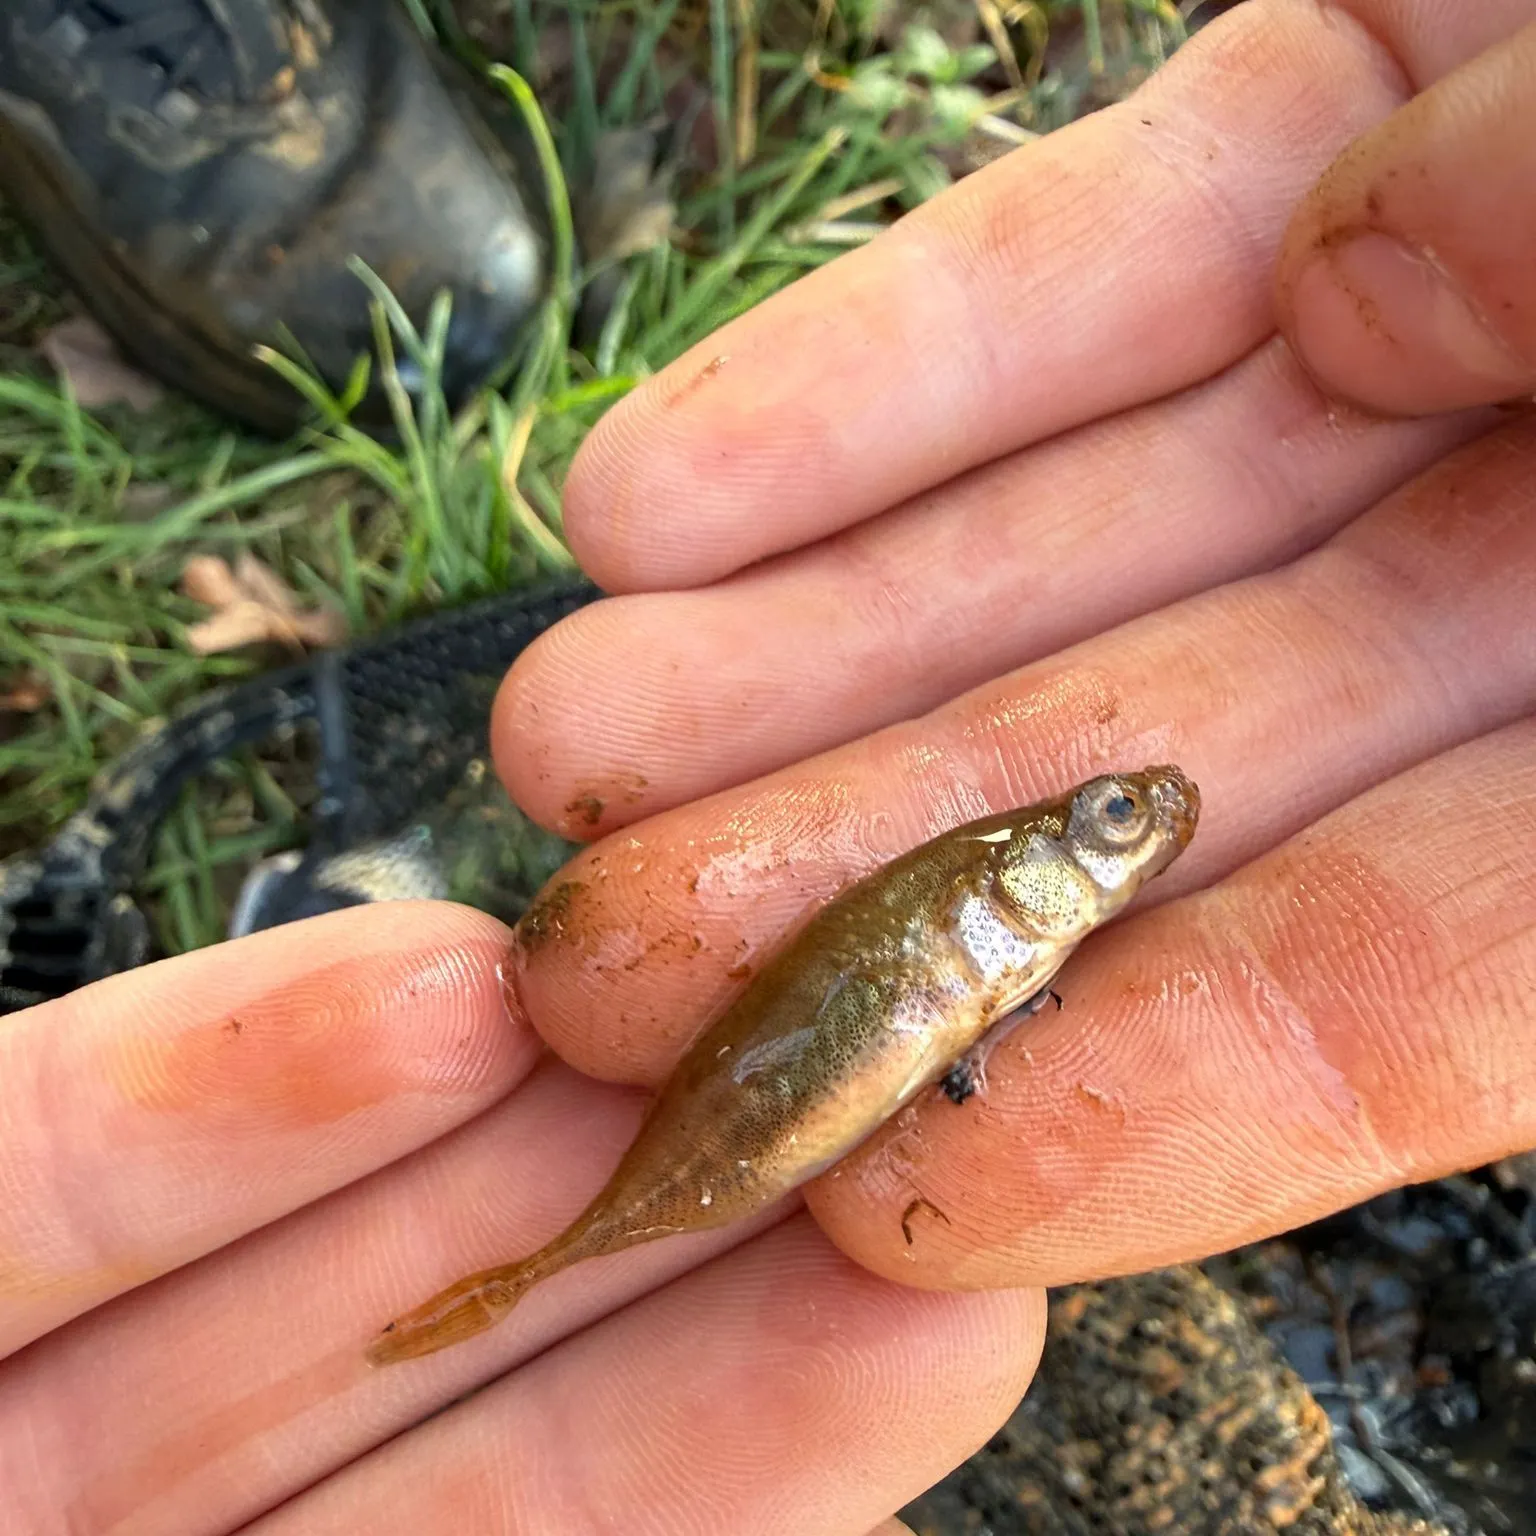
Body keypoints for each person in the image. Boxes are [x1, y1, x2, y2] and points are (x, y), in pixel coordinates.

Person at [3, 2, 1533, 1531]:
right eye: (1108, 818)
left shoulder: (997, 919)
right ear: (1011, 879)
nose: (1134, 828)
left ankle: (523, 1279)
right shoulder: (987, 907)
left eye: (1113, 818)